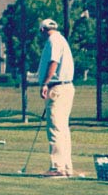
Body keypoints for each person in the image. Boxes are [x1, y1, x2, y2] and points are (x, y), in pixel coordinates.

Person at [36, 17, 75, 178]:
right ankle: (66, 167)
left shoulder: (53, 41)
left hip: (57, 87)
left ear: (42, 30)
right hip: (67, 87)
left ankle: (57, 167)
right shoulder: (61, 39)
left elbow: (53, 62)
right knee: (63, 128)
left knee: (55, 128)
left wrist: (45, 83)